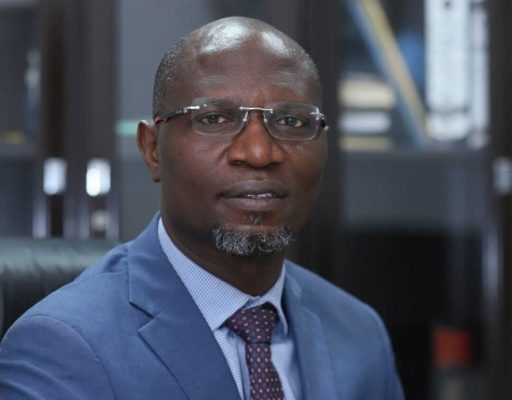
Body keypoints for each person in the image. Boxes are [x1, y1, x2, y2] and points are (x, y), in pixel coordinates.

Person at [0, 17, 404, 400]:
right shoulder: (61, 348)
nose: (259, 152)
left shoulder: (359, 334)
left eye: (293, 122)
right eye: (214, 119)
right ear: (152, 150)